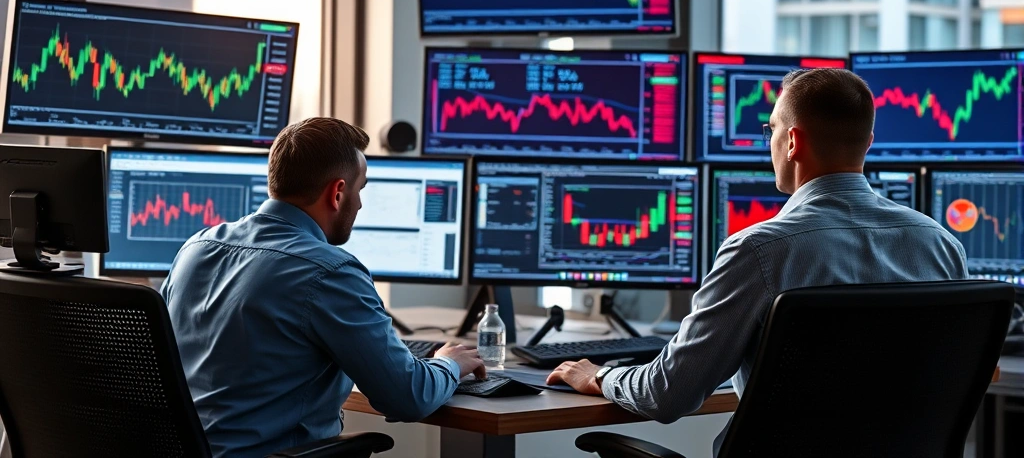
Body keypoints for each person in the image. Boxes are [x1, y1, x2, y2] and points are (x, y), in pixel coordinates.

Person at [547, 68, 967, 431]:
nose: (769, 141)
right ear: (868, 141)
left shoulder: (759, 251)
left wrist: (601, 376)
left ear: (792, 142)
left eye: (771, 130)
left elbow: (668, 394)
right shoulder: (941, 245)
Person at [161, 118, 485, 458]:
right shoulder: (329, 271)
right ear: (337, 192)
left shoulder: (196, 248)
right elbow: (408, 397)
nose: (359, 204)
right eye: (360, 190)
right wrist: (448, 363)